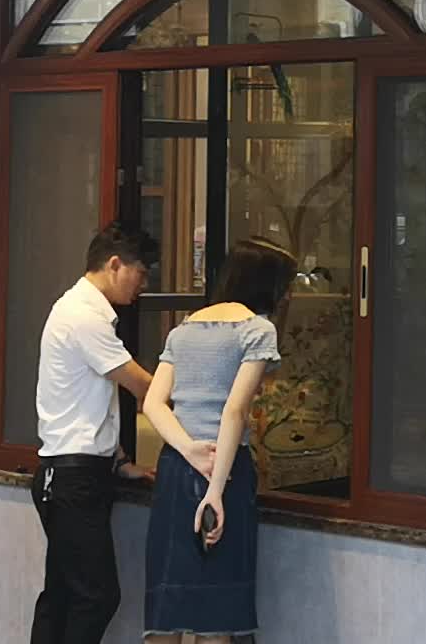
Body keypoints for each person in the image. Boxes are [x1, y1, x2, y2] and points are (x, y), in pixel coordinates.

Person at [32, 221, 216, 644]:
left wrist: (119, 462)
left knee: (63, 595)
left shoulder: (83, 311)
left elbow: (88, 404)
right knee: (95, 597)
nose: (143, 285)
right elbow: (143, 386)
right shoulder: (83, 316)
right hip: (72, 479)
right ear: (115, 264)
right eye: (141, 272)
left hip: (75, 474)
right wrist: (200, 399)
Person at [142, 237, 295, 643]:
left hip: (176, 469)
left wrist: (188, 449)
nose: (287, 295)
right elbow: (234, 411)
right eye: (285, 285)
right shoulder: (258, 330)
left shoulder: (184, 328)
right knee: (217, 614)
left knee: (166, 606)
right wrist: (215, 490)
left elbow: (154, 403)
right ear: (267, 284)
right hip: (226, 468)